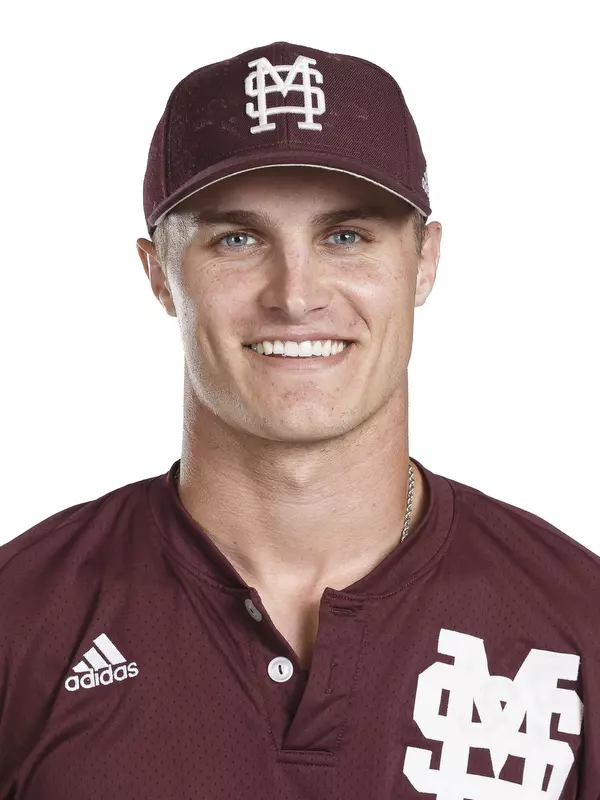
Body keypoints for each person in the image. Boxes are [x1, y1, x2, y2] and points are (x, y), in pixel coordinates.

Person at [1, 40, 599, 800]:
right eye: (237, 239)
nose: (295, 294)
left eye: (346, 236)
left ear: (424, 263)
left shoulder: (576, 624)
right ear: (158, 275)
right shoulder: (22, 623)